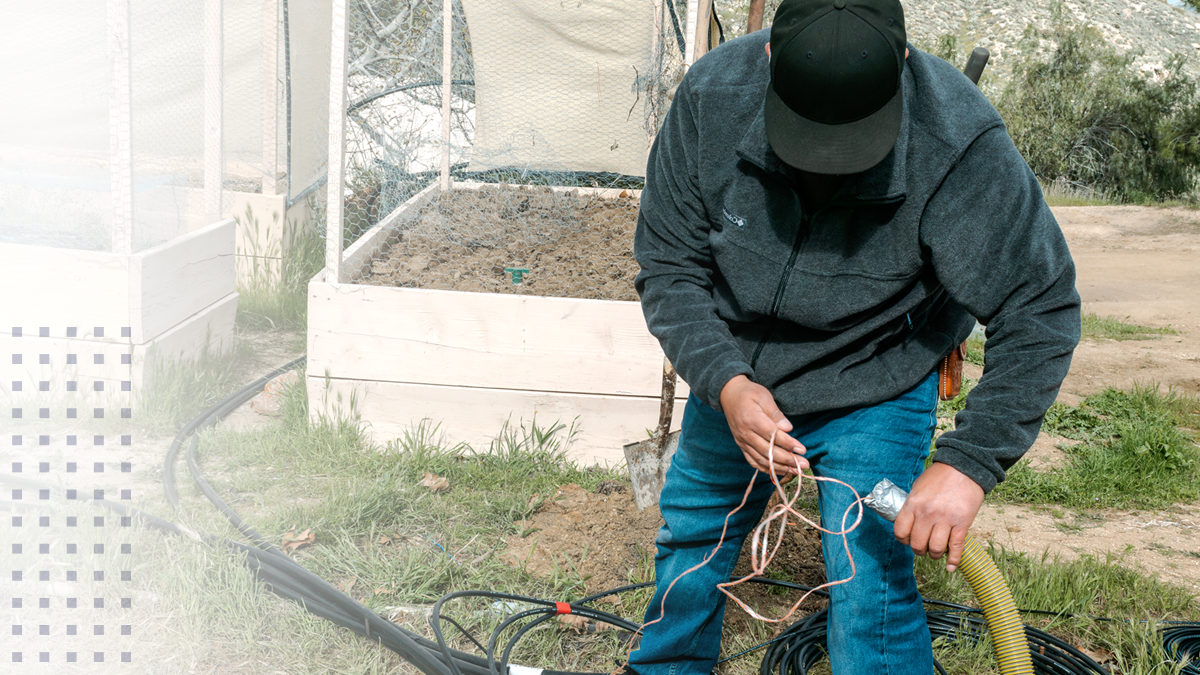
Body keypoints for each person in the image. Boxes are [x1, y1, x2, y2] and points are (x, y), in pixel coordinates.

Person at [627, 0, 1081, 673]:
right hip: (739, 369)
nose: (830, 161)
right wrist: (725, 382)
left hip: (879, 371)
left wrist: (968, 464)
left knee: (869, 582)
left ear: (901, 63)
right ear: (770, 58)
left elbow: (1039, 305)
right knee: (691, 541)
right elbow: (668, 266)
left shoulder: (957, 141)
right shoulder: (711, 99)